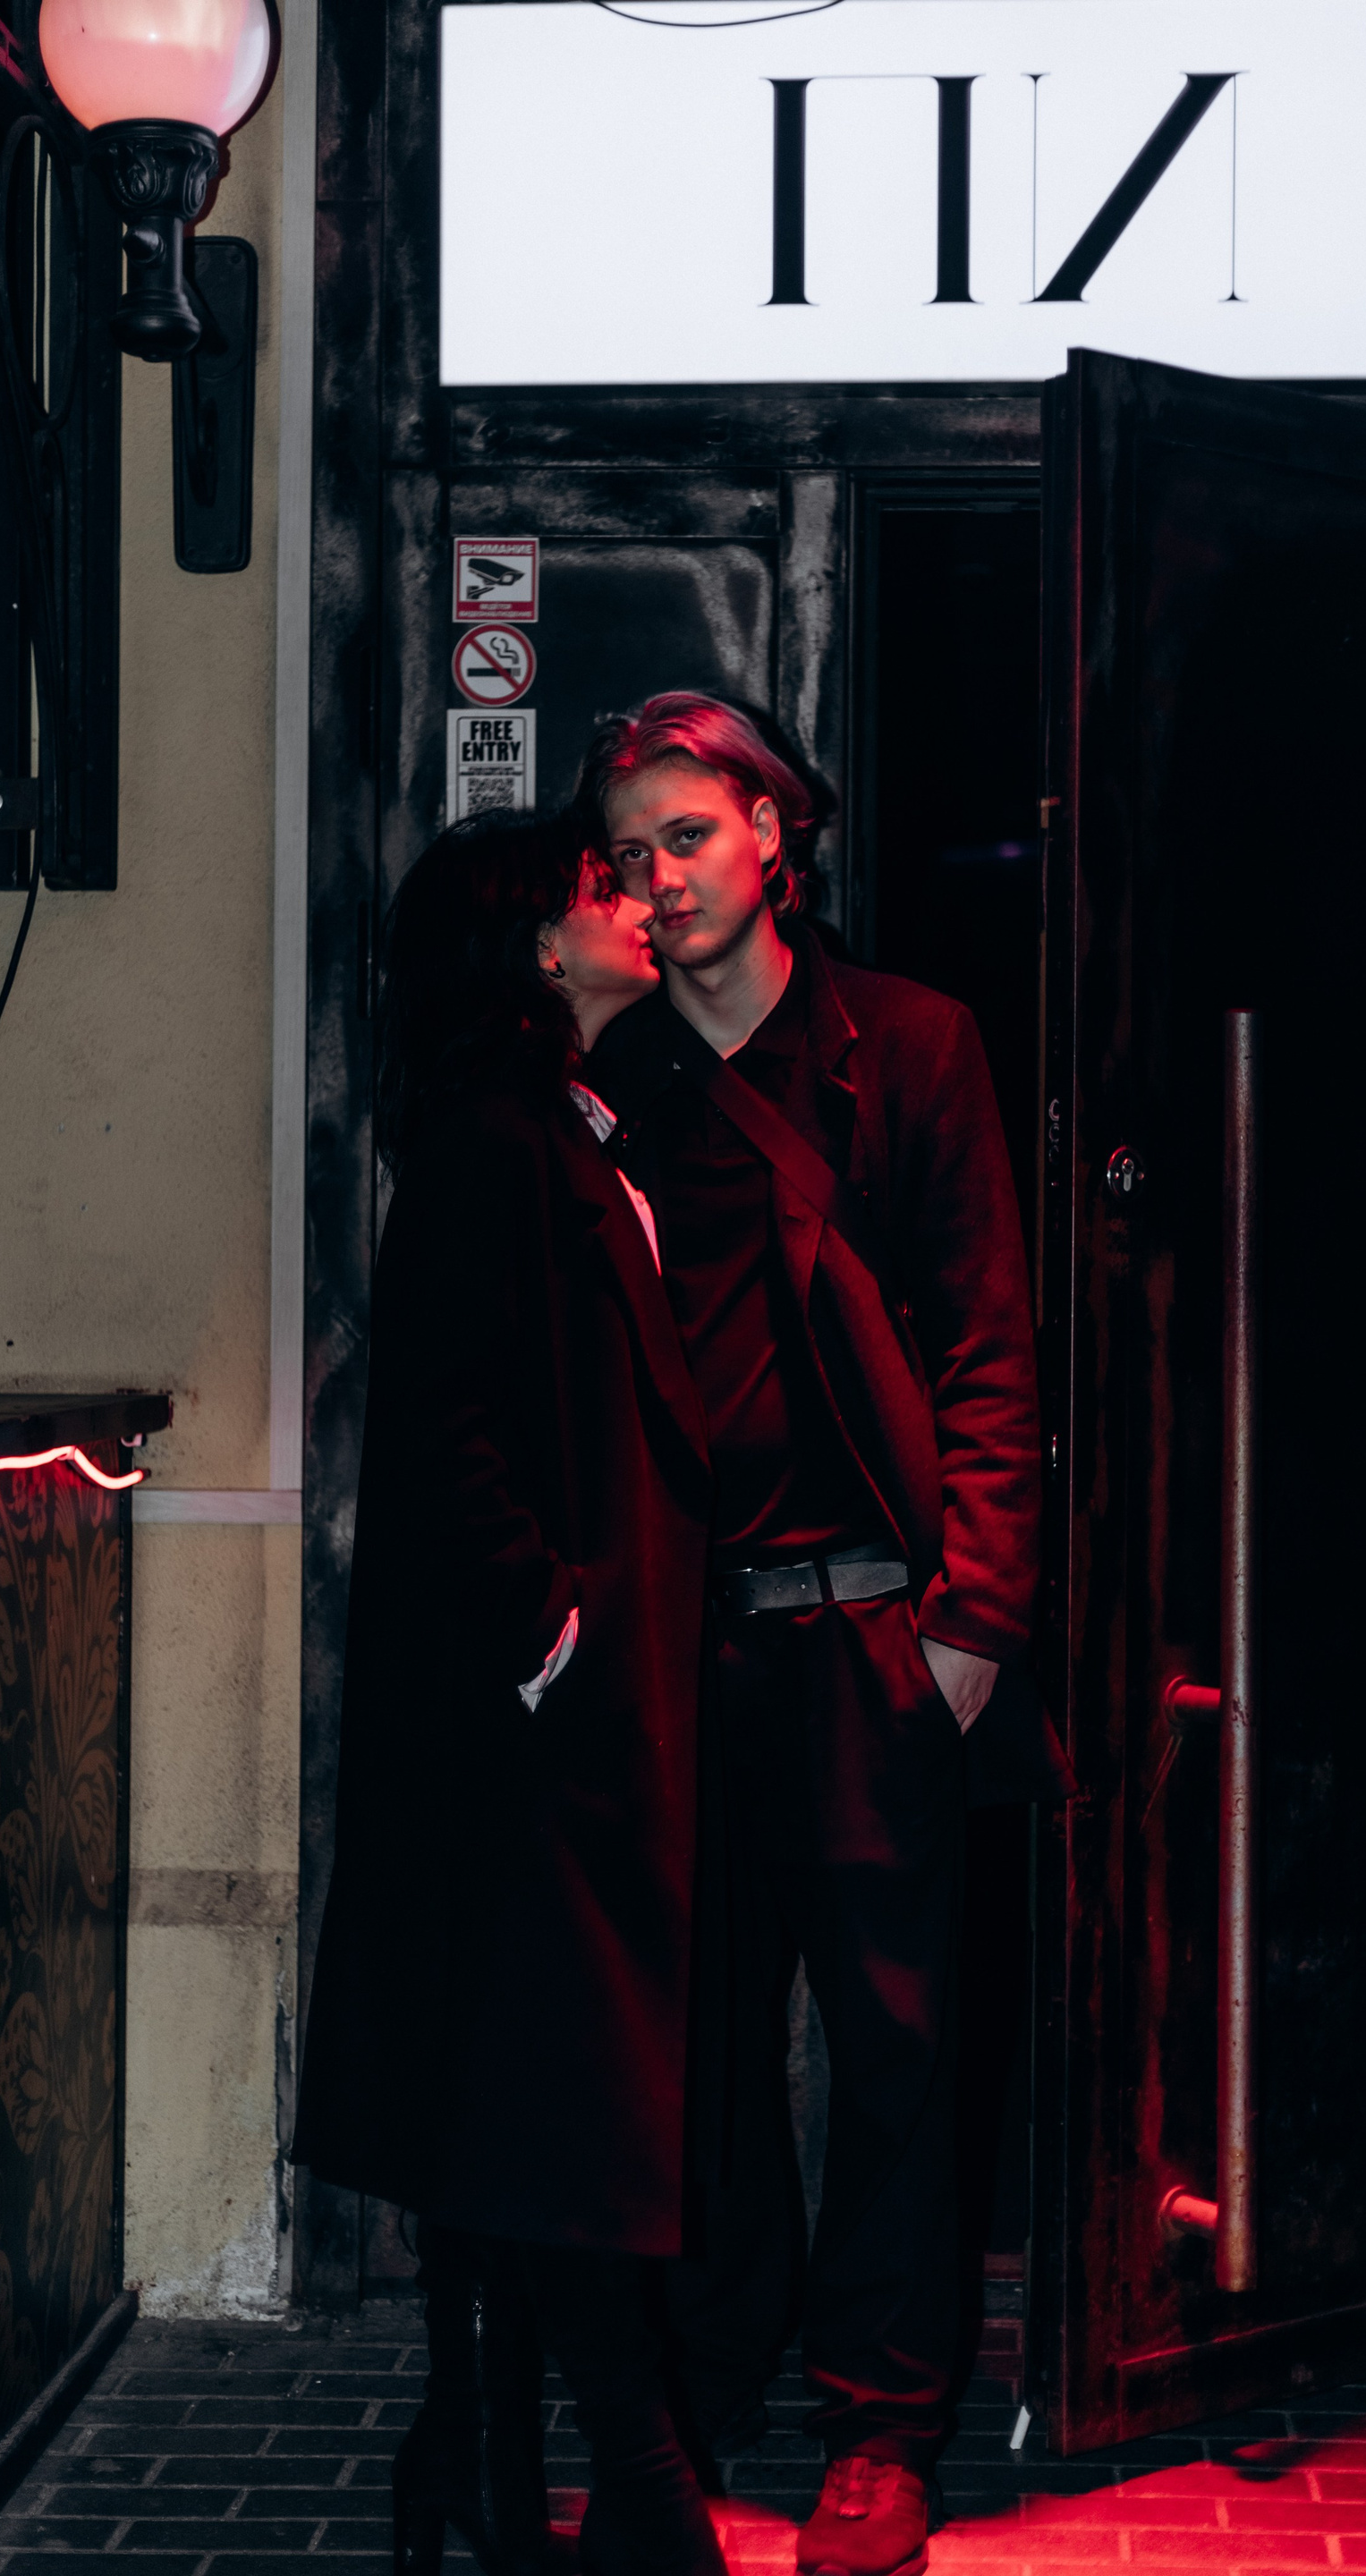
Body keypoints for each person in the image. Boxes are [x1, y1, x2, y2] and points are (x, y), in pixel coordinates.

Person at [581, 696, 1042, 2576]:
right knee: (691, 2049)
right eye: (630, 853)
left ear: (775, 834)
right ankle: (708, 2380)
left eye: (689, 834)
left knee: (896, 2052)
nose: (659, 878)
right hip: (685, 1649)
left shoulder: (907, 1047)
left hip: (870, 1632)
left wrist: (973, 1622)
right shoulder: (614, 1075)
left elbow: (992, 1345)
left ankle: (880, 2424)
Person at [291, 810, 726, 2576]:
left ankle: (476, 2466)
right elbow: (446, 1434)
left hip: (558, 1721)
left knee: (513, 2106)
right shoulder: (496, 1144)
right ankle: (628, 2485)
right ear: (541, 950)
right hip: (530, 1732)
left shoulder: (558, 1128)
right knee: (562, 2111)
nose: (638, 901)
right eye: (602, 886)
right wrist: (562, 1635)